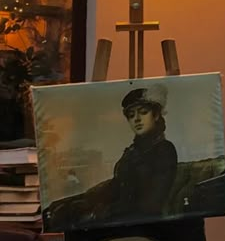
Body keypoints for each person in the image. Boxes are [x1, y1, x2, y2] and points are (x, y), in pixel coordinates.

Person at [44, 84, 178, 229]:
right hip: (120, 215)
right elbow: (116, 185)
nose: (137, 119)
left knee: (69, 220)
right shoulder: (133, 151)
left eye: (143, 112)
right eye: (131, 115)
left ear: (156, 115)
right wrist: (81, 199)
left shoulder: (164, 150)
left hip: (140, 223)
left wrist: (101, 211)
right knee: (56, 210)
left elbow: (150, 204)